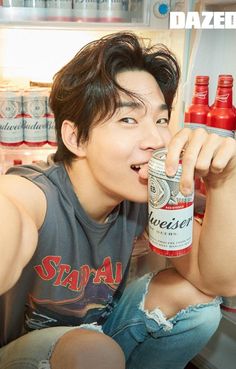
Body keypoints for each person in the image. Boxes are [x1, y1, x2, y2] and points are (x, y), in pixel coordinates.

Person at [0, 32, 236, 369]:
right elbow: (11, 212)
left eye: (161, 119)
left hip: (99, 336)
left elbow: (217, 280)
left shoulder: (145, 193)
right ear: (76, 137)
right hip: (26, 353)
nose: (156, 139)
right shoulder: (36, 192)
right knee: (93, 352)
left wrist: (226, 178)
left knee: (196, 301)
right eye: (128, 119)